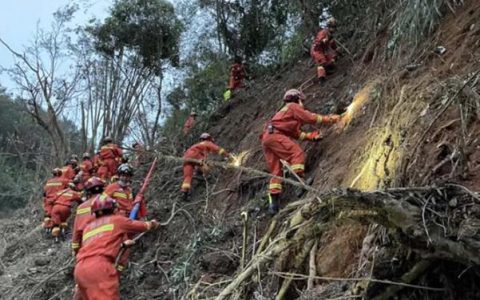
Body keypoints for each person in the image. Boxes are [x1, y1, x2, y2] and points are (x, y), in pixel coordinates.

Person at [261, 89, 342, 214]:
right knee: (296, 153)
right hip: (274, 135)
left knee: (276, 171)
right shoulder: (292, 106)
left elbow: (296, 134)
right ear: (297, 99)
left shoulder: (285, 115)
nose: (303, 104)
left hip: (268, 138)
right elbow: (310, 118)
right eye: (302, 101)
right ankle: (299, 184)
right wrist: (330, 119)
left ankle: (273, 205)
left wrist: (312, 137)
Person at [73, 195, 159, 300]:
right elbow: (142, 226)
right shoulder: (117, 220)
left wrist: (122, 245)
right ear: (113, 208)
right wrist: (152, 224)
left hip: (80, 269)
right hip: (99, 267)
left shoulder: (88, 227)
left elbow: (97, 246)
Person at [181, 133, 232, 201]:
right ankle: (205, 176)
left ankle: (184, 192)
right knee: (207, 165)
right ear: (209, 139)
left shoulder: (196, 145)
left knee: (187, 176)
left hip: (186, 157)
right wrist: (228, 156)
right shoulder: (206, 143)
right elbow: (218, 149)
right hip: (195, 155)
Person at [71, 177, 105, 254]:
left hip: (87, 244)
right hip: (106, 243)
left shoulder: (81, 207)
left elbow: (77, 231)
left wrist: (75, 248)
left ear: (88, 192)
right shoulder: (109, 202)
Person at [310, 17, 339, 83]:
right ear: (329, 26)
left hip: (323, 51)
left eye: (334, 27)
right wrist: (324, 40)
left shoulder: (330, 35)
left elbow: (333, 45)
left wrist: (336, 51)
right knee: (322, 62)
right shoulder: (323, 33)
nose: (334, 29)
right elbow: (319, 42)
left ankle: (327, 68)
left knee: (332, 59)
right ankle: (321, 79)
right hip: (316, 50)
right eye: (333, 27)